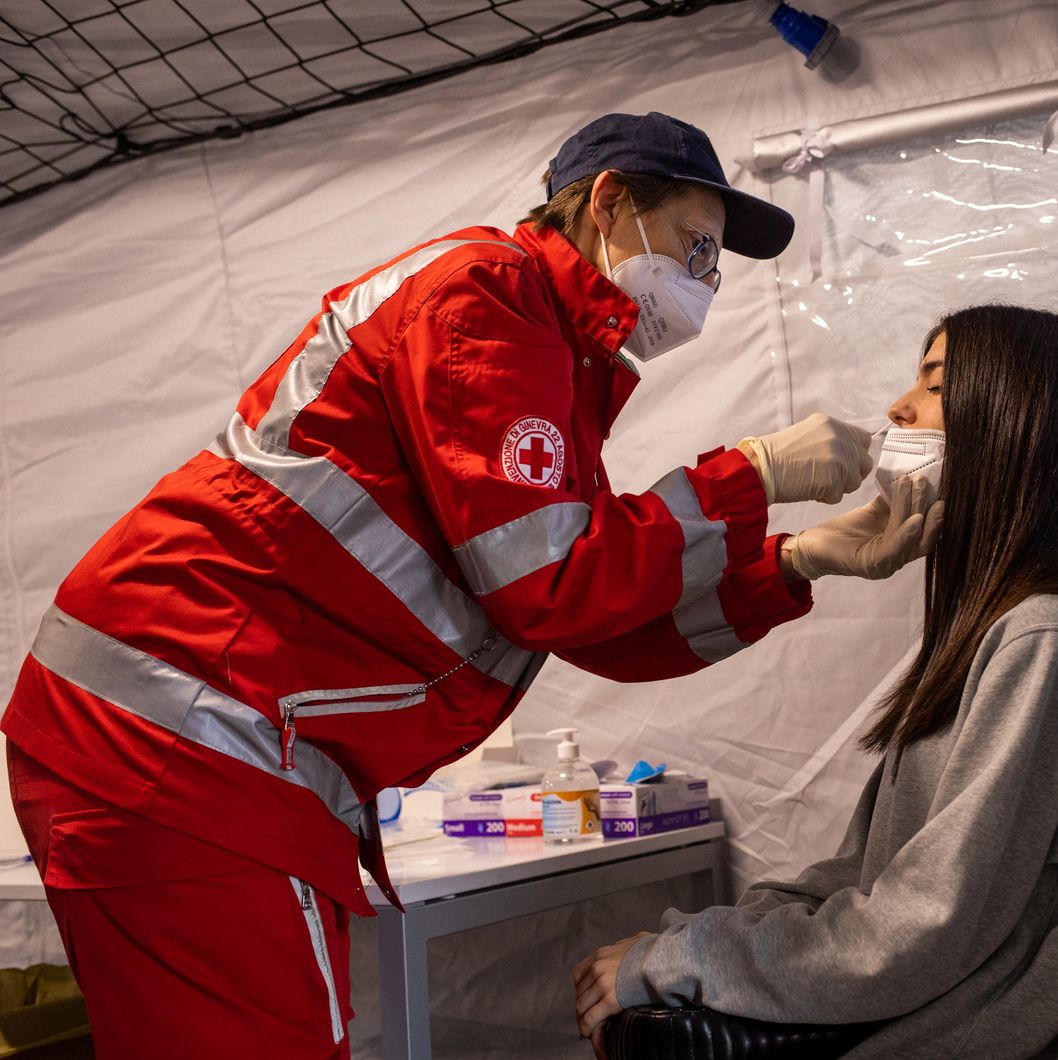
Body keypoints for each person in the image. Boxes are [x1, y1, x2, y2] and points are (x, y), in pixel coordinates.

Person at [1, 112, 940, 1059]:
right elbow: (550, 589)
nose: (702, 284)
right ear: (610, 201)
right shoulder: (485, 297)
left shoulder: (554, 364)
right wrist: (751, 473)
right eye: (695, 247)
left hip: (203, 740)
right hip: (183, 732)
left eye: (714, 266)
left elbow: (590, 613)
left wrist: (794, 561)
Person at [573, 304, 1058, 1059]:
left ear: (1014, 415)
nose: (898, 406)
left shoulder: (1049, 637)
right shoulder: (1019, 626)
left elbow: (919, 927)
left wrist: (681, 960)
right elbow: (871, 875)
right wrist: (704, 942)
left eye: (933, 382)